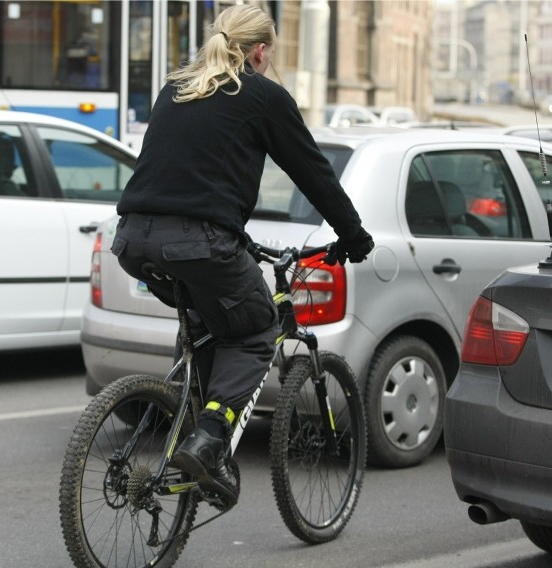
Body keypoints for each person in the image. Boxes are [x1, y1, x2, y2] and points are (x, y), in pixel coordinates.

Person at [112, 4, 373, 509]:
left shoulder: (177, 88)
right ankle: (208, 439)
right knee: (257, 329)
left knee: (208, 324)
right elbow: (312, 172)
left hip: (132, 238)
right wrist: (353, 235)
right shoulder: (262, 96)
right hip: (197, 242)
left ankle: (189, 440)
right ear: (260, 51)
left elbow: (179, 172)